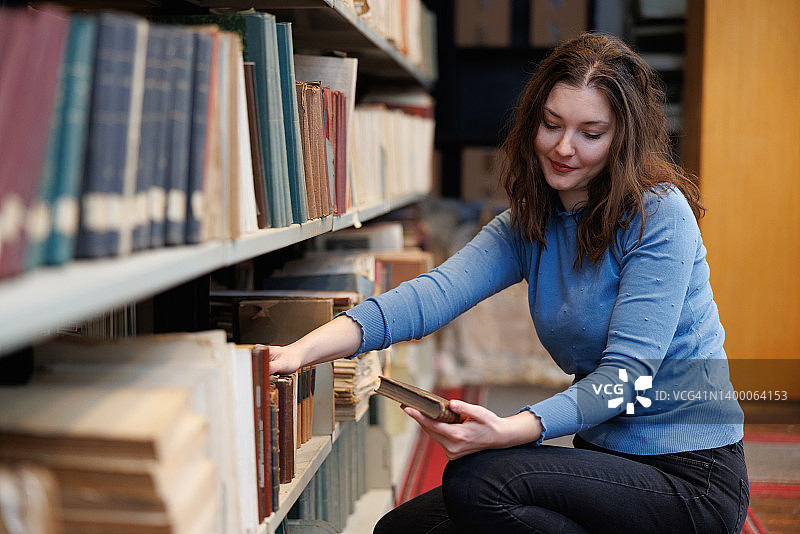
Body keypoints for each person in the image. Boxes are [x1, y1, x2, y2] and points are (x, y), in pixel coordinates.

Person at [266, 33, 749, 534]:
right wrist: (301, 351)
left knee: (481, 483)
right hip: (606, 459)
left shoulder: (659, 215)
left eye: (591, 132)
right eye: (552, 124)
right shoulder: (530, 223)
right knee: (401, 530)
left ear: (622, 140)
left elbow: (626, 375)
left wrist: (508, 430)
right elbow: (430, 296)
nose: (563, 148)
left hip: (692, 478)